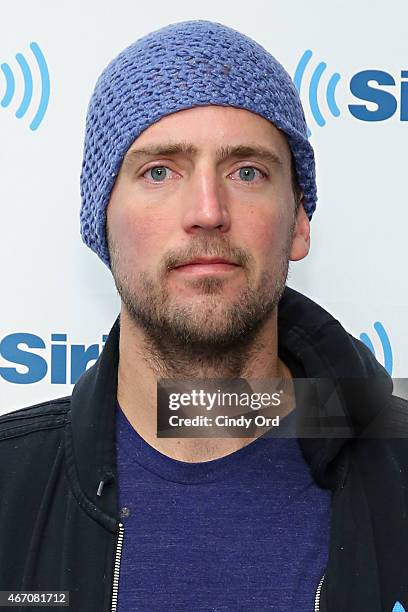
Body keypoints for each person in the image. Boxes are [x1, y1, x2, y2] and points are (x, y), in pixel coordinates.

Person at [0, 19, 407, 612]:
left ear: (297, 222)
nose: (208, 211)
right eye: (159, 171)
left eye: (248, 171)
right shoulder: (10, 488)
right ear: (101, 224)